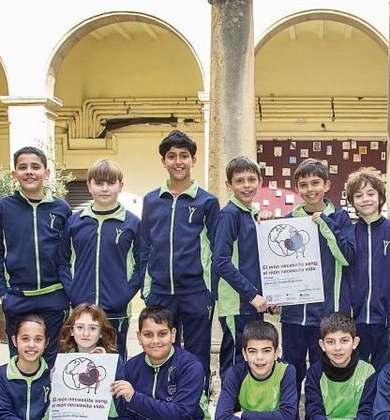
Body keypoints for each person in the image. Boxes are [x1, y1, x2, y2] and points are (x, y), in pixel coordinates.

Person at [139, 130, 220, 380]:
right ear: (163, 161)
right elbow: (144, 246)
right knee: (160, 352)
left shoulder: (207, 202)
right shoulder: (151, 200)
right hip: (160, 293)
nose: (178, 161)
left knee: (197, 354)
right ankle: (163, 403)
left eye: (184, 156)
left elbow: (216, 249)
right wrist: (147, 289)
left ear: (193, 160)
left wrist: (210, 292)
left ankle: (199, 406)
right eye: (171, 156)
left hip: (196, 292)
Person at [0, 146, 72, 361]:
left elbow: (70, 253)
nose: (29, 172)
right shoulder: (5, 207)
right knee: (20, 359)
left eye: (35, 167)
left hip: (54, 296)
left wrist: (68, 290)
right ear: (14, 174)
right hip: (18, 297)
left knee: (54, 360)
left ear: (47, 172)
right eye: (22, 167)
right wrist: (3, 292)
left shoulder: (61, 208)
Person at [282, 158, 355, 388]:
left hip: (326, 313)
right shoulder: (288, 220)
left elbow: (346, 257)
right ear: (297, 189)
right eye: (303, 185)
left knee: (322, 371)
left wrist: (323, 223)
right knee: (292, 371)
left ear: (326, 185)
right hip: (293, 313)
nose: (310, 189)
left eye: (315, 183)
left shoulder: (340, 218)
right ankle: (290, 419)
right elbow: (279, 263)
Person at [63, 158, 144, 356]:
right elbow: (63, 262)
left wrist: (124, 294)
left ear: (121, 185)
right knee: (80, 364)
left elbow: (142, 264)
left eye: (111, 183)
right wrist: (74, 292)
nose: (105, 188)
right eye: (99, 183)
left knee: (116, 363)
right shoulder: (75, 222)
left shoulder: (132, 224)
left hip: (116, 312)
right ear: (89, 185)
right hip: (82, 311)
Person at [345, 167, 390, 369]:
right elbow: (346, 275)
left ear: (380, 197)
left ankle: (381, 401)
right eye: (359, 195)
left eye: (371, 193)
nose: (365, 199)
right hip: (357, 317)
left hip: (384, 318)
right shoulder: (351, 233)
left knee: (383, 367)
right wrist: (348, 313)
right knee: (358, 367)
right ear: (352, 201)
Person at [213, 156, 269, 375]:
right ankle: (228, 407)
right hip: (236, 302)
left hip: (253, 302)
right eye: (239, 180)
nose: (246, 185)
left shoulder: (252, 214)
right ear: (229, 185)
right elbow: (221, 261)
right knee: (235, 358)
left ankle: (241, 407)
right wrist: (251, 294)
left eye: (251, 179)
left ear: (259, 182)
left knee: (249, 357)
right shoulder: (229, 215)